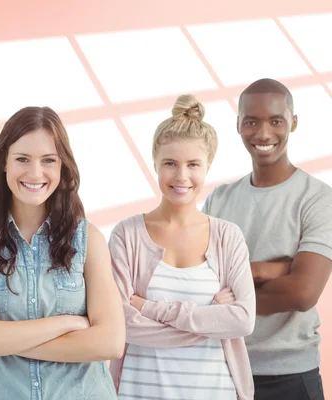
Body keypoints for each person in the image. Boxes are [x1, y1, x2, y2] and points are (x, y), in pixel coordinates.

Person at [0, 106, 125, 400]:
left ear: (62, 166)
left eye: (48, 160)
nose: (35, 172)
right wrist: (66, 324)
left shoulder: (88, 238)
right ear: (3, 162)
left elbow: (110, 342)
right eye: (22, 159)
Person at [109, 94, 256, 400]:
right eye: (170, 164)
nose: (181, 176)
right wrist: (211, 320)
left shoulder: (228, 237)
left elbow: (242, 320)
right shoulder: (127, 235)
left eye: (193, 164)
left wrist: (150, 309)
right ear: (155, 164)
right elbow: (119, 323)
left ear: (208, 166)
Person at [202, 78, 332, 400]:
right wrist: (277, 268)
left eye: (276, 121)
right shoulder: (219, 200)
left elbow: (302, 293)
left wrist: (239, 280)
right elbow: (201, 285)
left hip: (289, 377)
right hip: (222, 371)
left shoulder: (318, 199)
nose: (263, 134)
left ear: (294, 122)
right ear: (238, 125)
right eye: (251, 122)